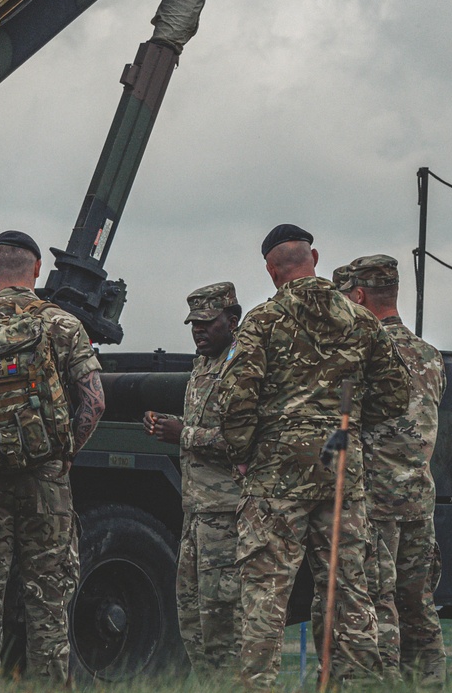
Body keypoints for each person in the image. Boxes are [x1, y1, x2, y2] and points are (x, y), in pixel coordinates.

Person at [218, 223, 410, 690]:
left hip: (276, 472)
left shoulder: (263, 321)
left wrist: (243, 453)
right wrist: (351, 423)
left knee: (265, 596)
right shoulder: (361, 321)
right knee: (348, 593)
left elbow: (236, 400)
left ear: (270, 268)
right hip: (342, 468)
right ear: (316, 257)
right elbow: (397, 394)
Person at [0, 230, 104, 682]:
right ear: (37, 271)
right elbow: (94, 402)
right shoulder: (62, 324)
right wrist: (63, 454)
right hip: (46, 481)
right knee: (47, 600)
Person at [338, 254, 447, 686]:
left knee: (375, 603)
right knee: (420, 607)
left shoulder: (362, 355)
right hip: (419, 502)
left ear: (360, 296)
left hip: (375, 507)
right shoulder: (431, 357)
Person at [144, 281, 242, 673]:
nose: (198, 331)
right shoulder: (203, 364)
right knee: (192, 618)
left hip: (227, 514)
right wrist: (169, 424)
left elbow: (245, 439)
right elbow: (206, 427)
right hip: (197, 512)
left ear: (232, 319)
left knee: (223, 621)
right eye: (193, 324)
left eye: (207, 322)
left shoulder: (242, 366)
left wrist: (181, 434)